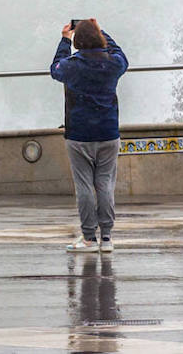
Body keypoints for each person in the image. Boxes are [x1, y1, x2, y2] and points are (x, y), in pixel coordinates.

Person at [51, 18, 128, 253]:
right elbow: (121, 55)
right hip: (108, 132)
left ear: (78, 41)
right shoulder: (112, 64)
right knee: (105, 183)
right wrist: (100, 31)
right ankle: (106, 238)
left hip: (79, 134)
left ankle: (88, 238)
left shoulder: (72, 66)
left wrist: (65, 40)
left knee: (84, 185)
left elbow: (55, 69)